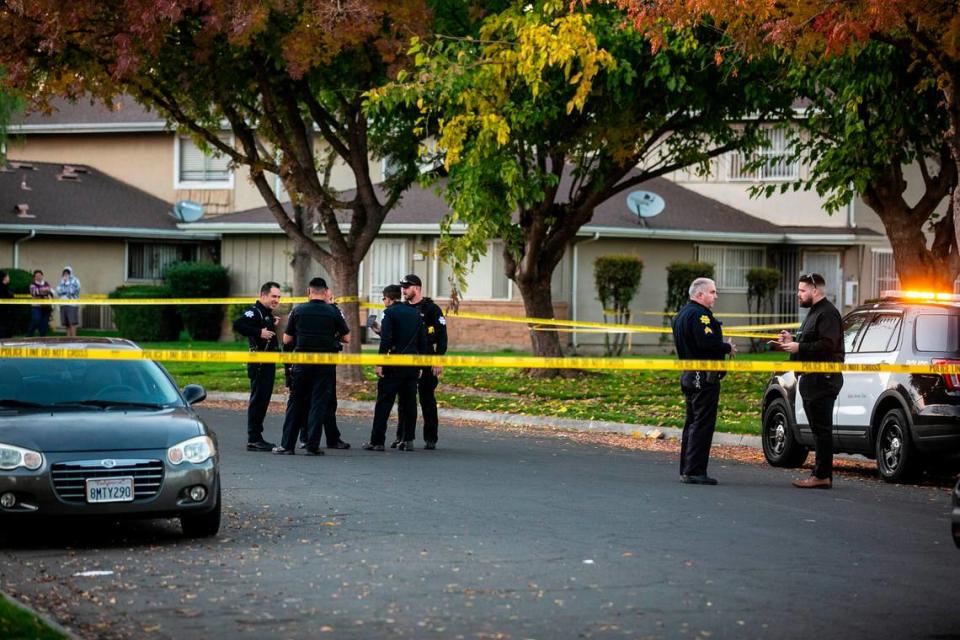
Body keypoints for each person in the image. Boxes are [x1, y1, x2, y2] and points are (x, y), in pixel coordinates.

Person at [777, 273, 844, 490]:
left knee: (822, 430)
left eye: (802, 290)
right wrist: (792, 342)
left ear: (815, 290)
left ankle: (822, 475)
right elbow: (810, 343)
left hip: (822, 380)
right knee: (818, 430)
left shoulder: (828, 313)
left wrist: (800, 347)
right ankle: (820, 473)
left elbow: (827, 346)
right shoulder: (814, 313)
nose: (799, 295)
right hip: (811, 379)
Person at [274, 277, 350, 455]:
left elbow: (286, 339)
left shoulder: (298, 310)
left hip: (302, 363)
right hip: (325, 364)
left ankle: (287, 445)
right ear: (325, 293)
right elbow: (347, 338)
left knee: (296, 403)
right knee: (319, 404)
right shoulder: (333, 312)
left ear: (309, 292)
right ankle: (312, 446)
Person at [671, 277, 736, 485]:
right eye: (712, 292)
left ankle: (687, 469)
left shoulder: (682, 314)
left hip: (689, 374)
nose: (716, 296)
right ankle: (695, 471)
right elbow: (706, 344)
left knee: (692, 422)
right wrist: (727, 348)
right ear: (700, 294)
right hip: (702, 376)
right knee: (702, 423)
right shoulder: (701, 316)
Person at [363, 284, 426, 451]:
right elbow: (422, 340)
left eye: (383, 299)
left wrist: (380, 363)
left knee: (384, 403)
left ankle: (377, 441)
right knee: (409, 403)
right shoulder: (415, 313)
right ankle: (408, 439)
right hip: (412, 364)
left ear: (389, 298)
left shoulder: (389, 313)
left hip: (393, 364)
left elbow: (387, 340)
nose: (383, 302)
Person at [398, 273, 447, 450]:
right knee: (404, 399)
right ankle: (402, 437)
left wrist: (438, 359)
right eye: (402, 287)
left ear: (417, 288)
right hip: (407, 359)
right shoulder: (402, 308)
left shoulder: (432, 309)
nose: (403, 290)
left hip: (426, 356)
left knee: (427, 398)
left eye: (407, 287)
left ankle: (430, 438)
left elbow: (442, 337)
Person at [233, 281, 282, 452]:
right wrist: (259, 332)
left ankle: (256, 437)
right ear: (263, 295)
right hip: (259, 363)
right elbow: (238, 325)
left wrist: (270, 324)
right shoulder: (255, 311)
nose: (276, 300)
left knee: (263, 400)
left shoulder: (265, 313)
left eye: (278, 297)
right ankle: (254, 438)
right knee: (259, 400)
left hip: (267, 362)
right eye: (273, 296)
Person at [56, 266, 81, 337]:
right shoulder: (61, 281)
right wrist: (64, 285)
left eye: (67, 273)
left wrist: (65, 286)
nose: (66, 274)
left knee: (72, 323)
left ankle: (73, 339)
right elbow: (58, 291)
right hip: (63, 304)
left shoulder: (75, 280)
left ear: (71, 273)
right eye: (64, 273)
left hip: (72, 305)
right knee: (66, 324)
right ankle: (68, 339)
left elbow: (73, 291)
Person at [26, 270, 52, 337]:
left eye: (40, 275)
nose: (39, 277)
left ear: (42, 276)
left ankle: (43, 339)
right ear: (34, 277)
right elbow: (34, 293)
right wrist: (44, 290)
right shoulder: (32, 284)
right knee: (36, 320)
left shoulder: (46, 283)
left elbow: (51, 292)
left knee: (44, 324)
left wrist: (42, 291)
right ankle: (29, 336)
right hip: (36, 306)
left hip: (46, 307)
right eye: (37, 276)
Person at [0, 271, 14, 339]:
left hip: (8, 313)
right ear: (4, 278)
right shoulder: (2, 288)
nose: (9, 278)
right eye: (8, 276)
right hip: (3, 313)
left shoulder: (7, 287)